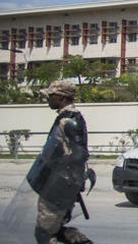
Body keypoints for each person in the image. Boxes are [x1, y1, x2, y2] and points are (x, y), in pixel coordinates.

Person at [27, 80, 93, 244]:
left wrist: (59, 164)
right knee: (53, 230)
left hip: (59, 185)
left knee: (44, 233)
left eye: (51, 96)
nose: (48, 99)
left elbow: (79, 154)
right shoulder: (66, 118)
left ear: (62, 97)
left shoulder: (70, 120)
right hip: (59, 182)